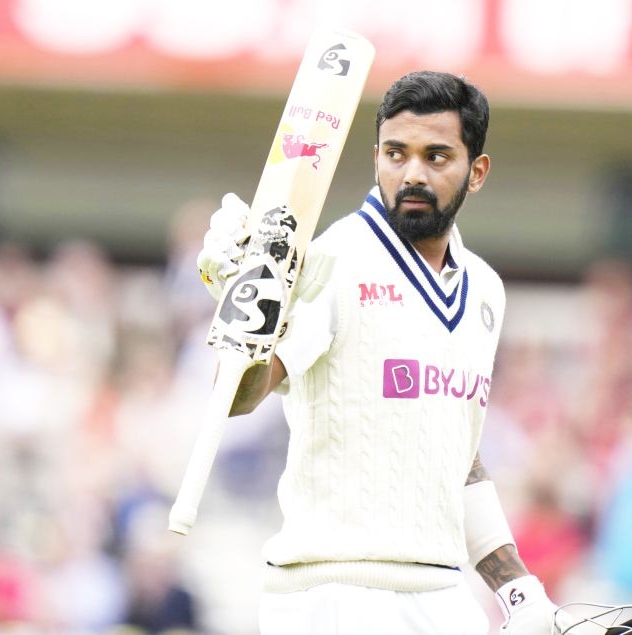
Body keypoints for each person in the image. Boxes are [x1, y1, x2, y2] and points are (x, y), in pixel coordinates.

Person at [197, 71, 572, 635]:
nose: (412, 174)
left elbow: (455, 454)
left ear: (478, 172)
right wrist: (242, 303)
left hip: (440, 588)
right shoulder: (332, 260)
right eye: (396, 154)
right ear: (376, 157)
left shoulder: (485, 290)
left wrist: (517, 587)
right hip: (331, 588)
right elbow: (238, 397)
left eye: (437, 156)